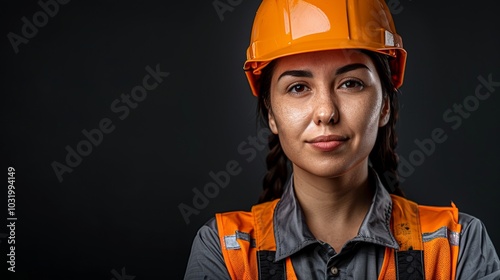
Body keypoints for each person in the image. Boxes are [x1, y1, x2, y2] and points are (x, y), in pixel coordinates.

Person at [184, 0, 500, 279]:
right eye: (298, 87)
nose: (326, 112)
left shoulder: (455, 246)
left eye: (350, 83)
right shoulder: (228, 251)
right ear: (271, 113)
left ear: (385, 105)